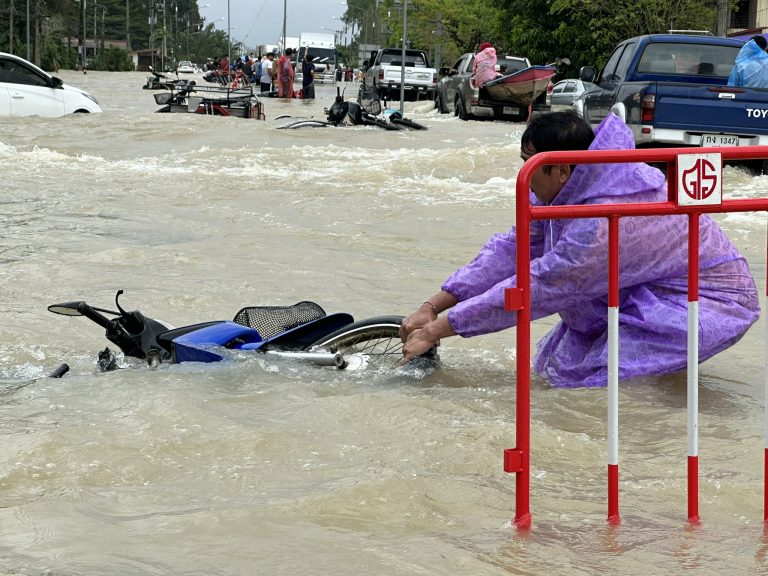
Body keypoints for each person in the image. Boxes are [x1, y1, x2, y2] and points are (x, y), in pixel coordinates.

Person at [399, 110, 760, 387]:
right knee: (552, 368)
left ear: (561, 171)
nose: (523, 174)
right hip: (648, 290)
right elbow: (513, 249)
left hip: (707, 301)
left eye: (530, 164)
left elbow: (542, 286)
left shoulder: (603, 219)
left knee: (588, 386)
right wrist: (433, 305)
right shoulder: (571, 190)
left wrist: (439, 330)